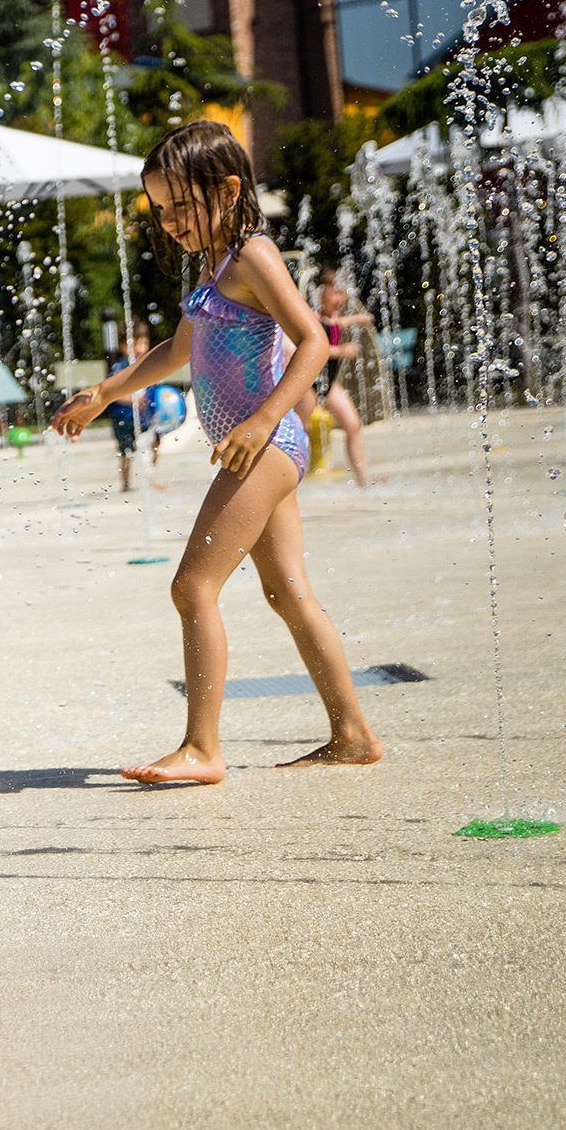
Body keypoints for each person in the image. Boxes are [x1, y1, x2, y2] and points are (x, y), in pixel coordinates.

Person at [52, 121, 382, 785]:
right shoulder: (216, 265)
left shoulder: (255, 254)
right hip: (258, 446)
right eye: (161, 209)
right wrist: (106, 393)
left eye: (181, 205)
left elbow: (313, 339)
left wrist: (261, 423)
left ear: (228, 190)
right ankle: (352, 734)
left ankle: (202, 748)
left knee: (192, 585)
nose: (171, 221)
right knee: (288, 593)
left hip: (263, 446)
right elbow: (177, 351)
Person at [293, 264, 375, 486]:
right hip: (309, 384)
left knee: (353, 424)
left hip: (328, 385)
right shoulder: (312, 317)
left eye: (343, 292)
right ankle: (287, 483)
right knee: (299, 432)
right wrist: (341, 350)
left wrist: (358, 319)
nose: (341, 298)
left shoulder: (333, 318)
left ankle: (363, 481)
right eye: (336, 292)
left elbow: (337, 323)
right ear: (321, 293)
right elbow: (311, 347)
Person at [104, 331, 152, 492]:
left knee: (153, 442)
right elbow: (114, 394)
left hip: (143, 416)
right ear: (123, 347)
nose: (140, 348)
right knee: (126, 451)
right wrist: (135, 401)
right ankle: (125, 483)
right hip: (123, 416)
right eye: (136, 344)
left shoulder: (150, 366)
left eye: (144, 343)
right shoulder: (120, 367)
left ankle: (151, 477)